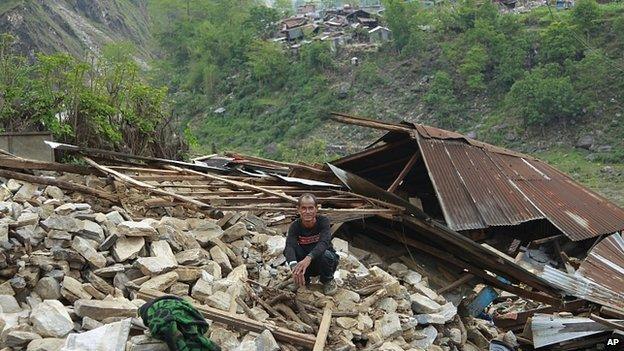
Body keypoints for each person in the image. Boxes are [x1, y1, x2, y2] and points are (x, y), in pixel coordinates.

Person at [283, 193, 339, 295]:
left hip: (324, 263)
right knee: (289, 249)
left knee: (325, 254)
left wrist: (309, 257)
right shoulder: (295, 226)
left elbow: (324, 242)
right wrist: (294, 266)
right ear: (298, 209)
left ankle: (328, 280)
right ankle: (302, 278)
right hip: (306, 266)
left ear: (316, 209)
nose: (307, 212)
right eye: (304, 208)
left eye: (310, 208)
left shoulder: (323, 221)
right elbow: (289, 246)